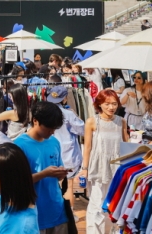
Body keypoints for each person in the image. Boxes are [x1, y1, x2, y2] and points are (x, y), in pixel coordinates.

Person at [14, 101, 69, 234]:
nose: (52, 132)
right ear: (35, 121)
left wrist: (60, 173)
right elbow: (17, 182)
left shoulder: (54, 142)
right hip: (33, 215)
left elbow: (57, 172)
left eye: (55, 129)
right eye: (49, 128)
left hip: (57, 211)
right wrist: (44, 174)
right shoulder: (19, 145)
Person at [79, 89, 128, 234]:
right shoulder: (92, 121)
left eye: (114, 104)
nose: (111, 107)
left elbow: (126, 144)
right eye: (107, 104)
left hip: (117, 167)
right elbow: (87, 147)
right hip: (98, 167)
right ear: (99, 104)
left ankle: (112, 231)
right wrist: (85, 168)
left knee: (115, 202)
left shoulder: (121, 121)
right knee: (96, 202)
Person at [46, 86, 85, 217]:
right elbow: (82, 130)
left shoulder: (44, 112)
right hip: (67, 154)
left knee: (52, 185)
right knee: (68, 185)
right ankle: (69, 214)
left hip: (50, 153)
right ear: (65, 99)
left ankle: (54, 212)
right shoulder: (68, 114)